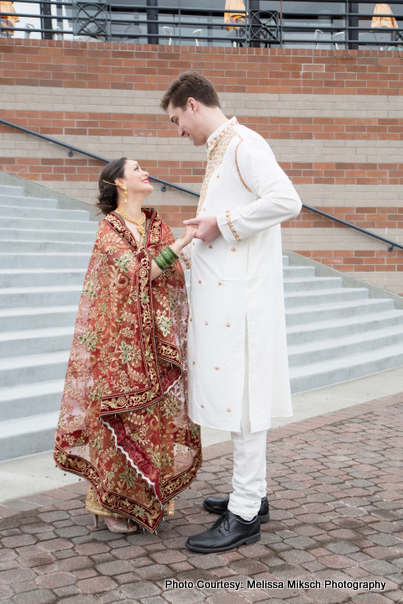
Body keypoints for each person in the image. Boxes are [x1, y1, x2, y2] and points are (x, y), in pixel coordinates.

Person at [160, 72, 302, 552]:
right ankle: (252, 495)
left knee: (244, 405)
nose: (178, 130)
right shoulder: (224, 145)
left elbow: (287, 200)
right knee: (240, 402)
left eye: (177, 119)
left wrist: (221, 223)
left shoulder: (241, 143)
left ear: (193, 105)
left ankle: (244, 514)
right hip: (228, 298)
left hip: (242, 303)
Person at [54, 158, 202, 534]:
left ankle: (146, 499)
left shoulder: (155, 223)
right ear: (119, 181)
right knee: (116, 416)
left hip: (154, 340)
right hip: (117, 341)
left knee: (154, 416)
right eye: (137, 168)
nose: (145, 172)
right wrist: (182, 243)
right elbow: (140, 273)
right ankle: (107, 504)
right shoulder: (109, 228)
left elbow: (173, 272)